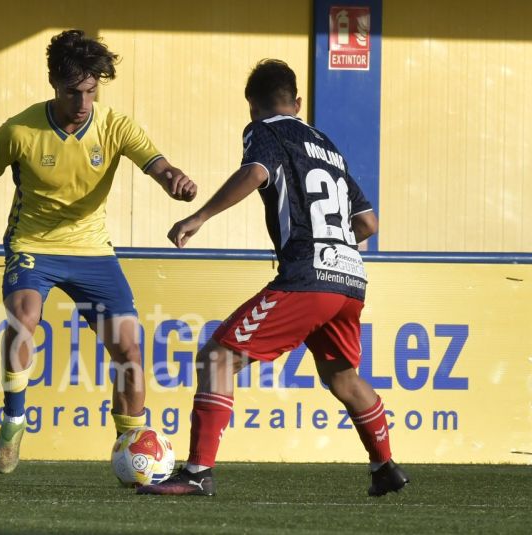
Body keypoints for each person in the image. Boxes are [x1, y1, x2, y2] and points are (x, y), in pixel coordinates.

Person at [0, 30, 196, 474]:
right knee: (24, 316)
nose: (83, 102)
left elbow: (157, 164)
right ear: (52, 83)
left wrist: (174, 180)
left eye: (91, 90)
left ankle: (132, 447)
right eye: (72, 91)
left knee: (129, 351)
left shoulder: (116, 127)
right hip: (33, 245)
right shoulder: (19, 130)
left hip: (92, 251)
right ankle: (14, 418)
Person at [137, 59, 408, 497]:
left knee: (216, 359)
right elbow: (369, 223)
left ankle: (197, 473)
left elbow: (256, 172)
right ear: (297, 102)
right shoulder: (328, 146)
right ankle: (385, 467)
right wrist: (336, 244)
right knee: (342, 375)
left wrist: (201, 215)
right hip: (351, 280)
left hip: (309, 275)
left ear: (252, 108)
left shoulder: (265, 130)